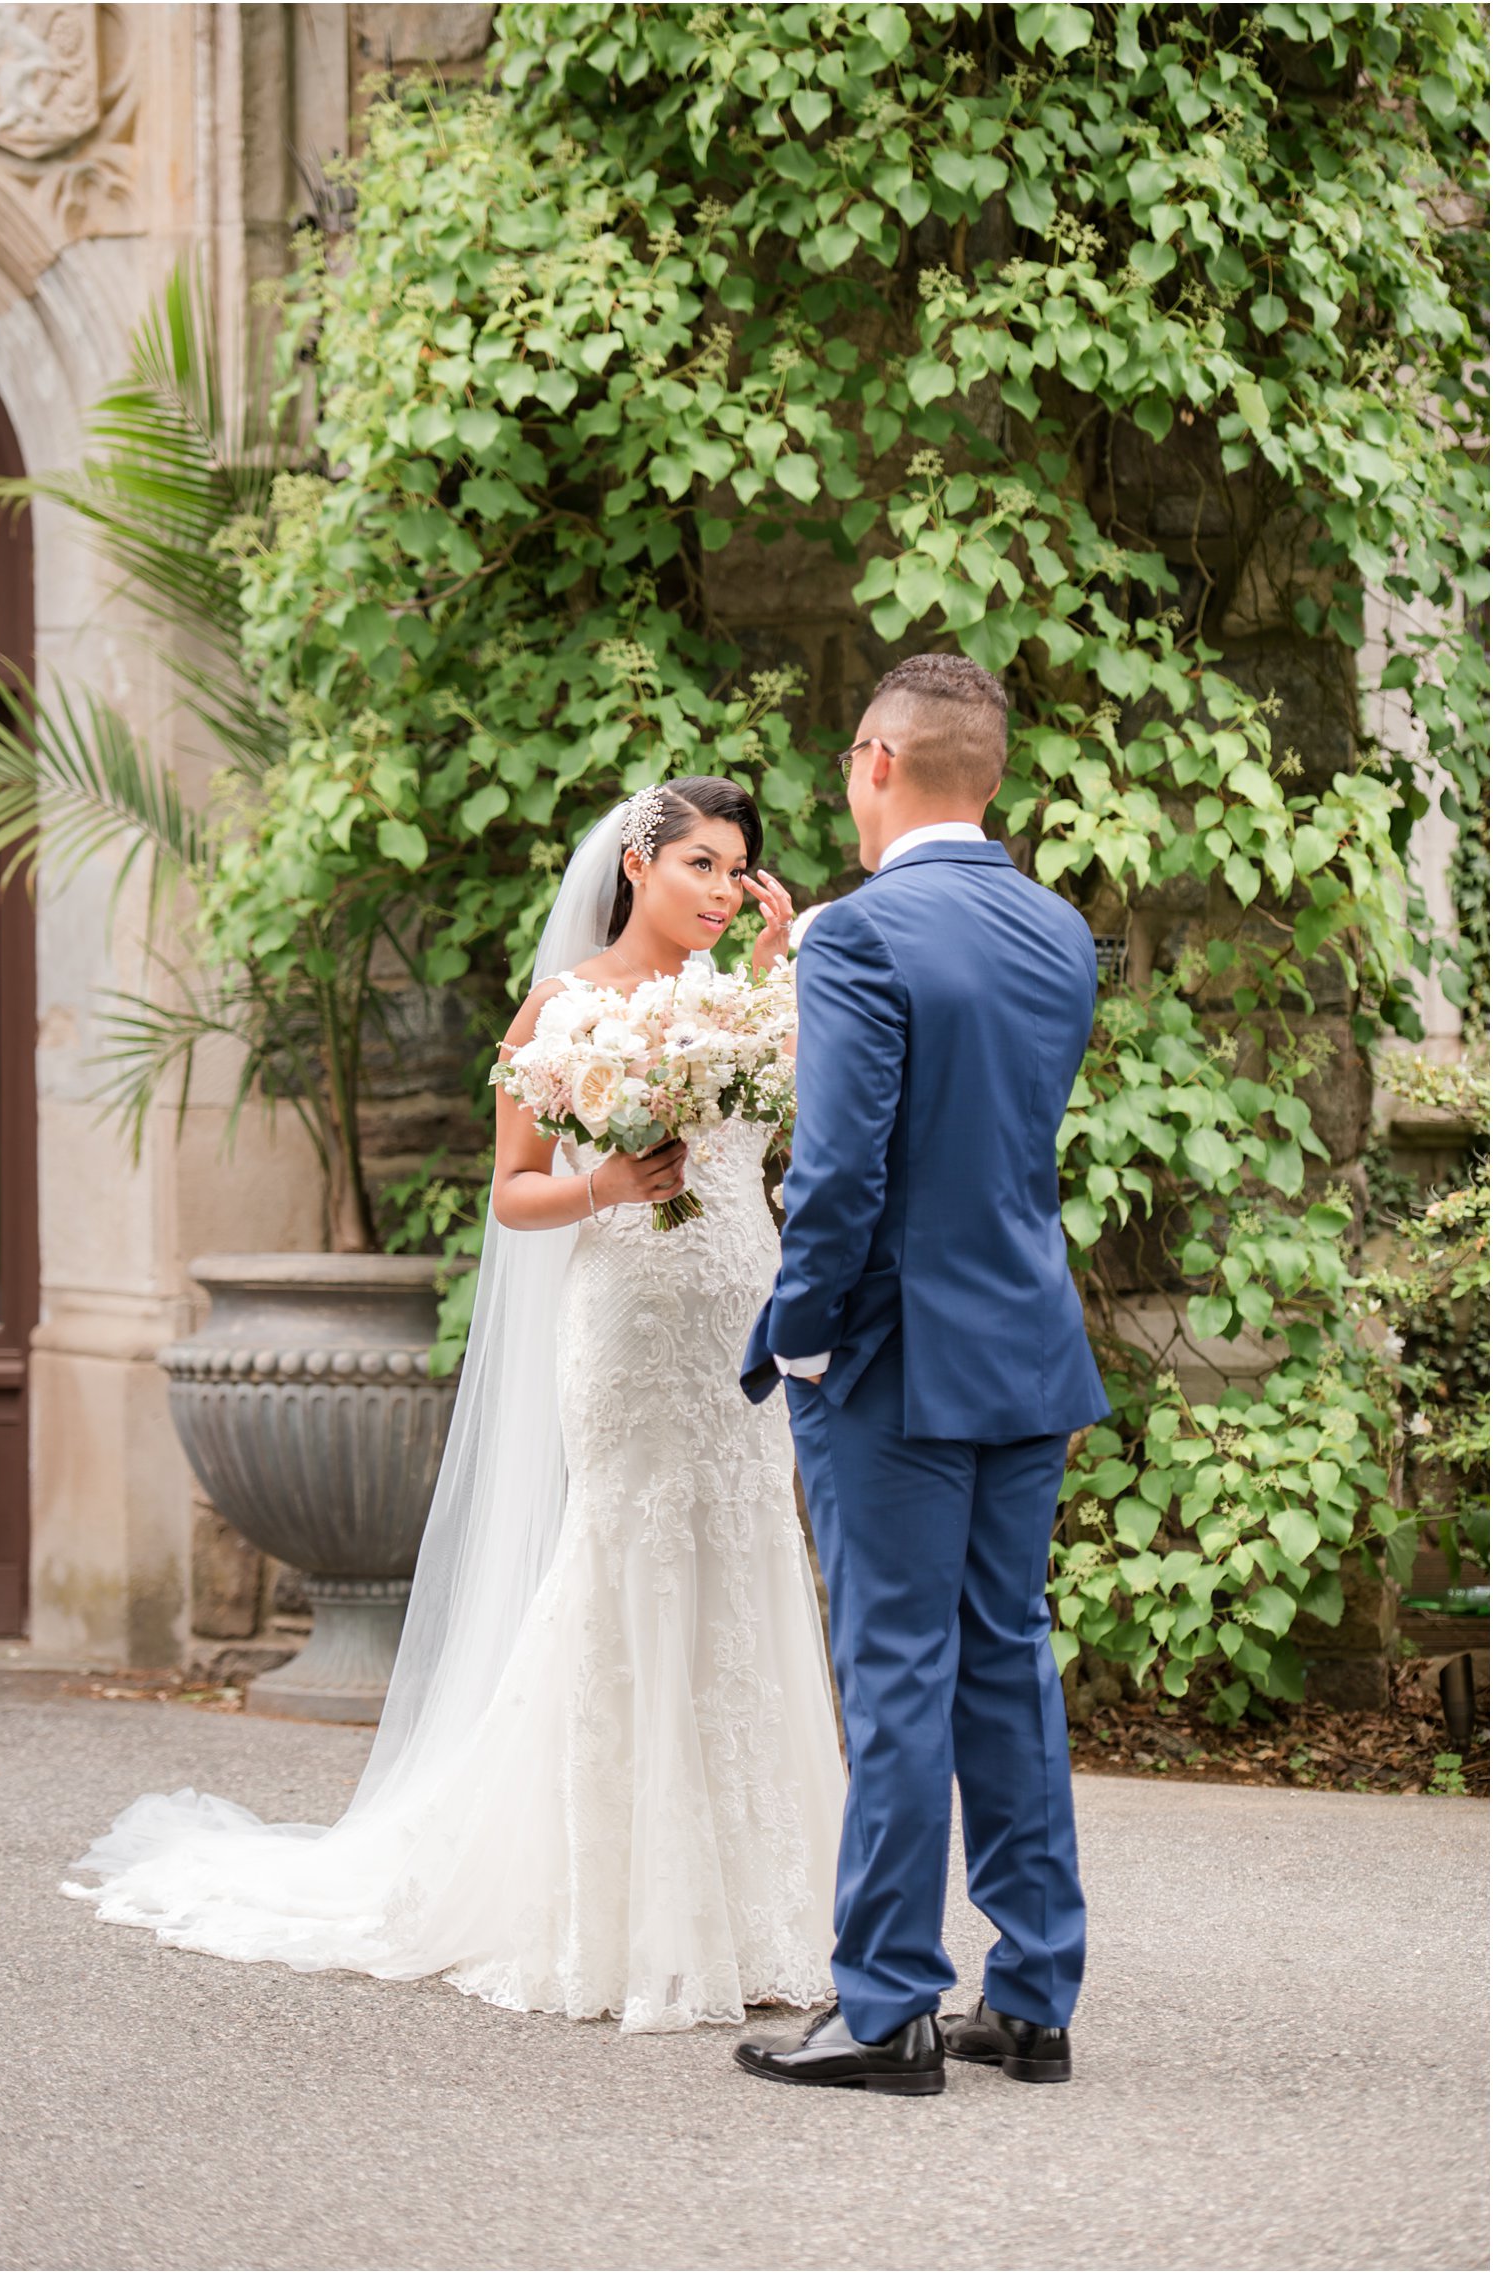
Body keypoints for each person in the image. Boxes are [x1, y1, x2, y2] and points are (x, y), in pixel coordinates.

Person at [65, 778, 846, 2036]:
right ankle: (617, 1914)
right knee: (631, 1561)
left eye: (736, 869)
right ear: (637, 864)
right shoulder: (564, 1008)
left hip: (737, 1315)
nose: (718, 888)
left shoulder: (748, 999)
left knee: (747, 1563)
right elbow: (514, 1195)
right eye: (700, 864)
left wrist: (768, 959)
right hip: (626, 1323)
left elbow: (780, 1130)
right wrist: (605, 1186)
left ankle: (763, 1914)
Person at [736, 653, 1109, 2096]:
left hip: (890, 1355)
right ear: (991, 776)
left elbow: (840, 1168)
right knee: (1004, 1658)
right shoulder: (1058, 929)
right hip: (1027, 1342)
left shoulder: (858, 934)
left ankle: (886, 2002)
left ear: (878, 761)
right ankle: (1030, 1993)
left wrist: (804, 1330)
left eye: (847, 765)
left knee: (896, 1668)